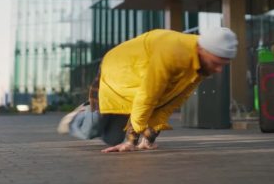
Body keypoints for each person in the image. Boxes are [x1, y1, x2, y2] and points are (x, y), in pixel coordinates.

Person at [60, 27, 238, 153]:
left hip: (137, 85)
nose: (218, 70)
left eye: (223, 64)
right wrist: (131, 140)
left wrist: (149, 136)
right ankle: (79, 116)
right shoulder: (172, 53)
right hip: (117, 72)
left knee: (113, 139)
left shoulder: (201, 63)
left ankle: (108, 118)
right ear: (202, 49)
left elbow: (173, 99)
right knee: (89, 130)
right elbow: (148, 95)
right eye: (216, 63)